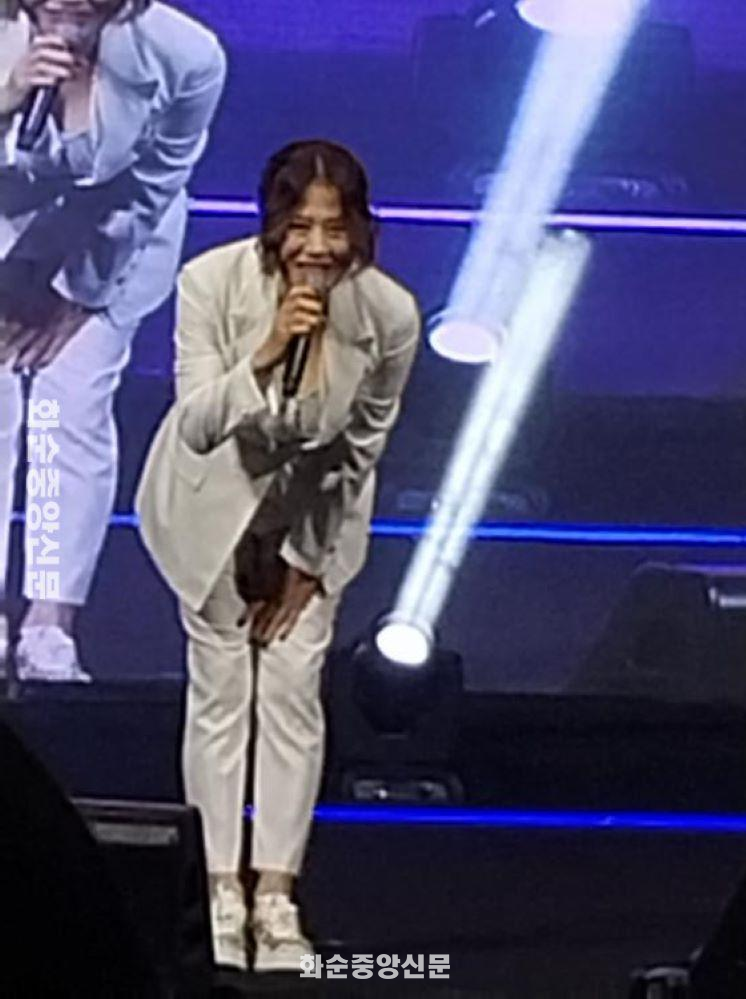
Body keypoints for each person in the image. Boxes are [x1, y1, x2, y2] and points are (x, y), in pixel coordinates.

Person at [135, 139, 420, 971]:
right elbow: (197, 423)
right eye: (301, 226)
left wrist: (307, 559)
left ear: (360, 227)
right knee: (221, 688)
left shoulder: (389, 314)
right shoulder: (210, 282)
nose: (319, 247)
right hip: (207, 506)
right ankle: (220, 889)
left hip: (313, 516)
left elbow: (359, 449)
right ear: (272, 225)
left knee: (293, 689)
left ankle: (276, 895)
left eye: (336, 227)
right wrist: (265, 351)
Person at [0, 0, 226, 681]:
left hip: (109, 248)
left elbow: (152, 187)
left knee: (68, 409)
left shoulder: (187, 54)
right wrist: (9, 96)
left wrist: (74, 297)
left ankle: (49, 622)